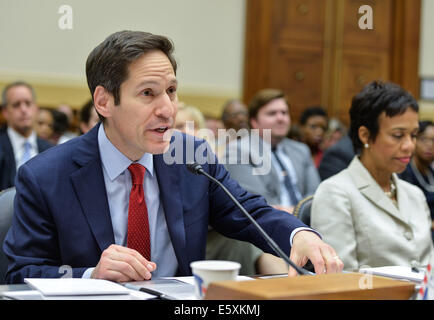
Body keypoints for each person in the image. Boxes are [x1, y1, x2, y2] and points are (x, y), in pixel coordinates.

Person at [3, 31, 342, 284]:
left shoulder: (190, 156)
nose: (167, 109)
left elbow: (248, 211)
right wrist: (90, 274)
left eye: (171, 91)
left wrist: (299, 234)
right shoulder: (46, 175)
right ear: (104, 102)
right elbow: (20, 273)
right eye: (148, 93)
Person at [311, 81, 434, 271]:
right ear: (365, 135)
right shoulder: (335, 193)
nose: (410, 145)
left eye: (414, 135)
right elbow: (341, 281)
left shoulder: (414, 194)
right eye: (398, 135)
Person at [175, 104, 287, 275]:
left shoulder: (210, 159)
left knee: (253, 235)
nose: (188, 131)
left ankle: (287, 288)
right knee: (243, 241)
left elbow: (235, 203)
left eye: (193, 125)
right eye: (179, 126)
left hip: (217, 231)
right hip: (191, 242)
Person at [225, 88, 320, 214]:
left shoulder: (301, 150)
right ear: (254, 122)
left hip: (308, 223)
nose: (280, 118)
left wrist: (300, 213)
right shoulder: (238, 151)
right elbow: (257, 203)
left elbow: (316, 195)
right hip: (268, 227)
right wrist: (299, 213)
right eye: (272, 113)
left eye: (284, 112)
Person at [0, 81, 53, 191]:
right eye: (16, 105)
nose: (23, 110)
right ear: (5, 112)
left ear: (35, 108)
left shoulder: (51, 150)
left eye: (28, 103)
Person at [400, 120, 434, 241]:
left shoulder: (431, 172)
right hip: (417, 234)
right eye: (424, 139)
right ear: (414, 141)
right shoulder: (404, 172)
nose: (430, 145)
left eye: (433, 140)